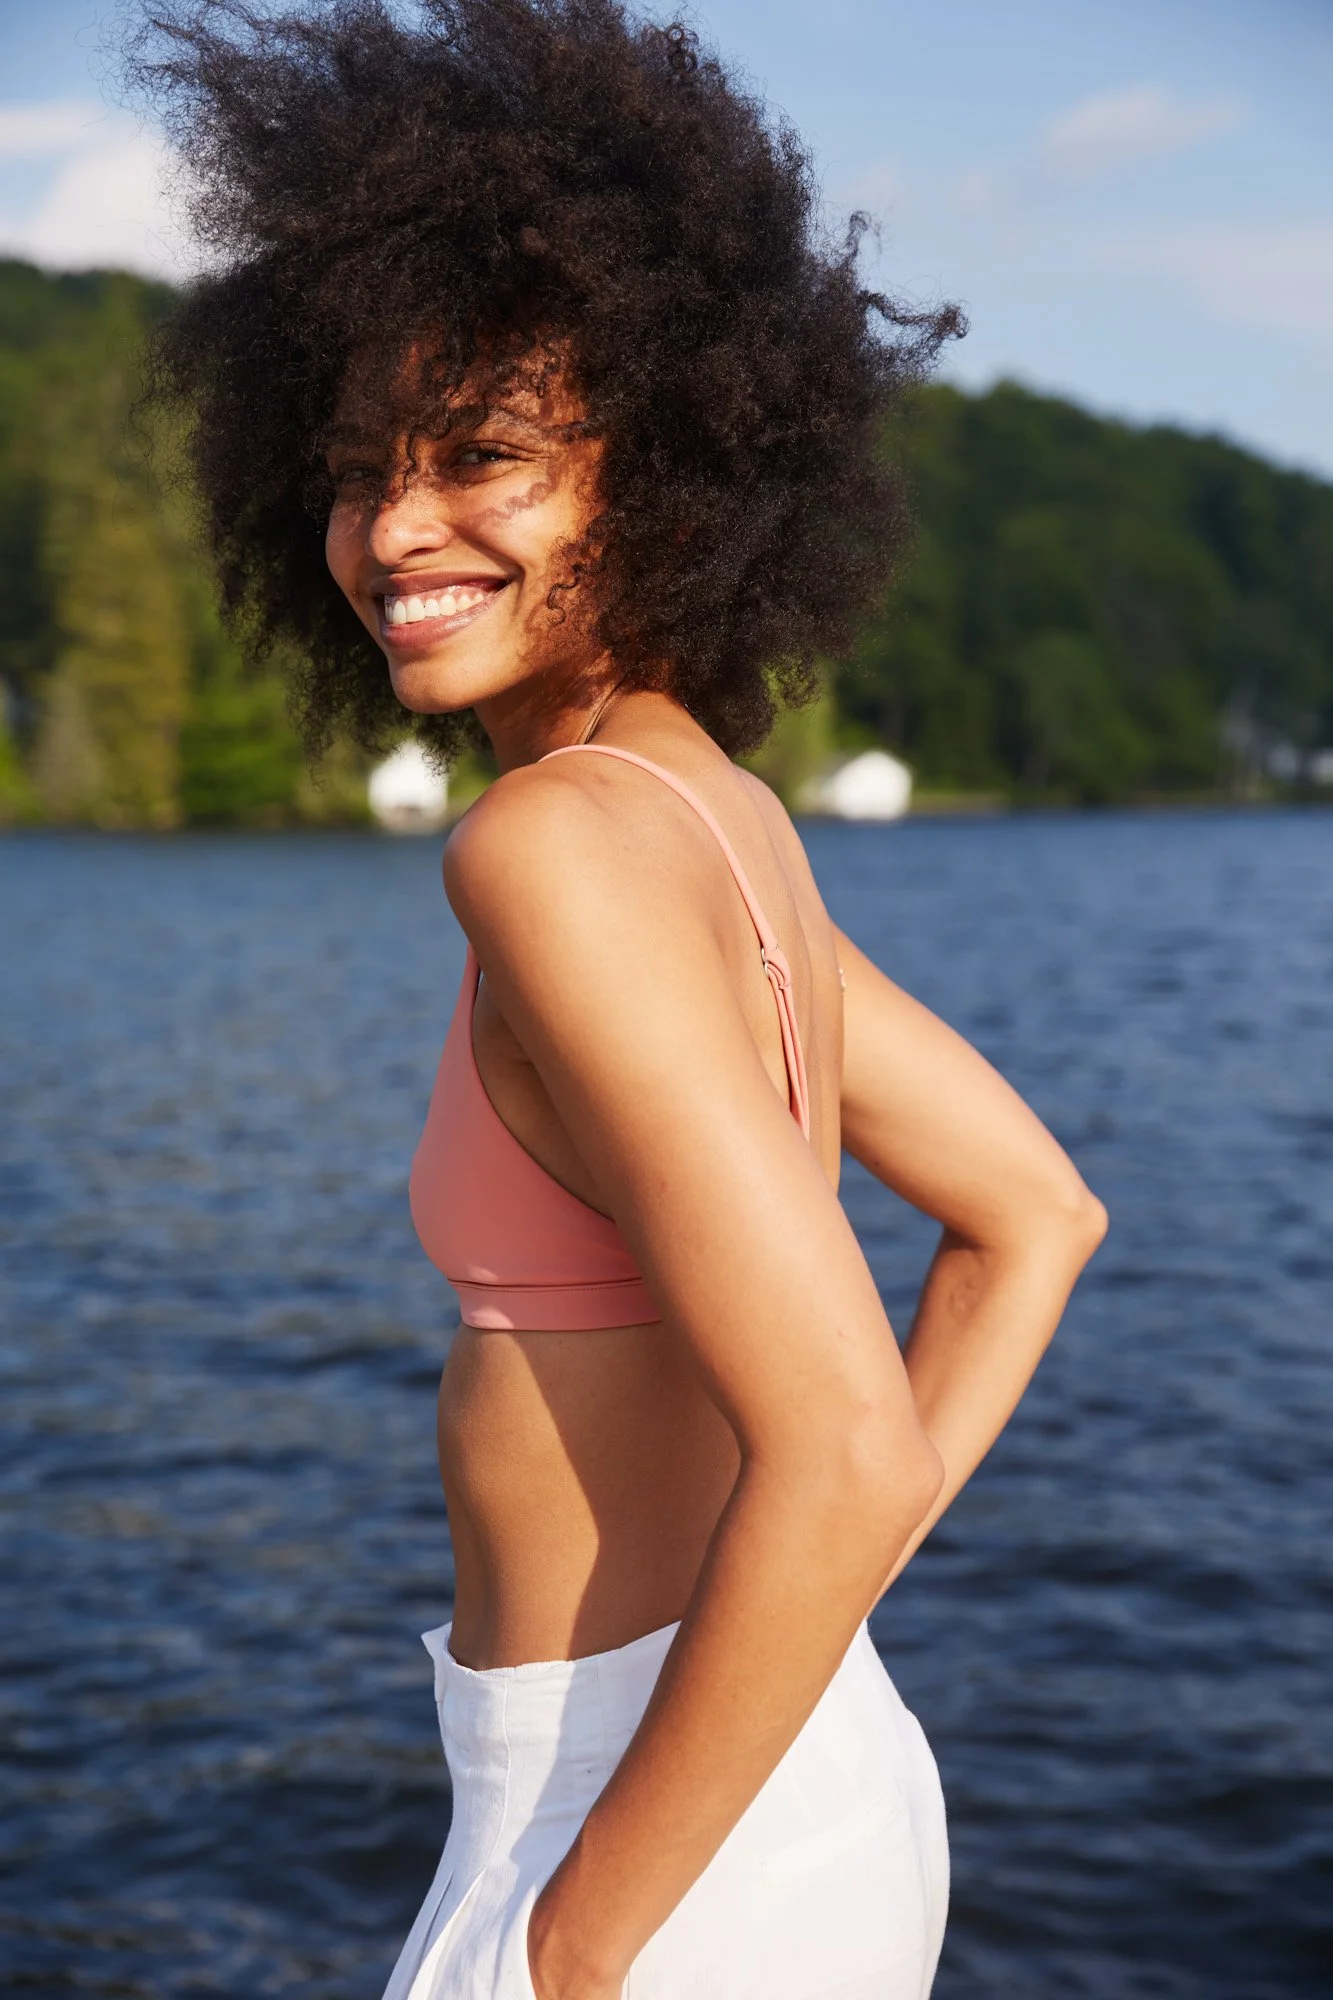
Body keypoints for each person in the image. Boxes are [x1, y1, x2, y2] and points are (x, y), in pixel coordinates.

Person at [137, 3, 1108, 1994]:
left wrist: (572, 1943)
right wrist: (811, 1625)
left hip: (633, 1848)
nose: (395, 530)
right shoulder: (716, 813)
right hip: (796, 1764)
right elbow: (1036, 1216)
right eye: (352, 469)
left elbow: (841, 1448)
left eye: (482, 456)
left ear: (663, 472)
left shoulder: (557, 851)